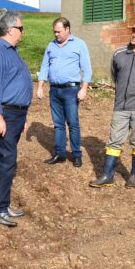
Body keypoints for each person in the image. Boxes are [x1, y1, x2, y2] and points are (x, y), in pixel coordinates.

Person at [89, 19, 135, 188]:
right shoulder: (118, 53)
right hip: (121, 106)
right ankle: (107, 175)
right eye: (134, 31)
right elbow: (115, 76)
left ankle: (133, 176)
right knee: (114, 141)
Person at [0, 10, 32, 227]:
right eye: (20, 28)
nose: (22, 32)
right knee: (6, 160)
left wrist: (23, 116)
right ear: (10, 30)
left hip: (15, 114)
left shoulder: (12, 51)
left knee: (8, 160)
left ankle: (4, 203)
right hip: (4, 113)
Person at [36, 17, 92, 168]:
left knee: (73, 123)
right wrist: (40, 86)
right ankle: (60, 154)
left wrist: (84, 88)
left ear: (67, 29)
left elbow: (86, 67)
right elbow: (45, 66)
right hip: (54, 90)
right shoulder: (51, 46)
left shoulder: (79, 44)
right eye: (54, 32)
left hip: (71, 90)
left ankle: (76, 154)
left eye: (59, 32)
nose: (56, 35)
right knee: (58, 124)